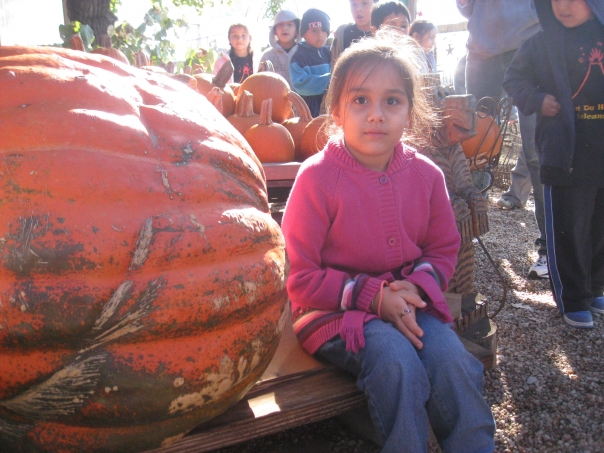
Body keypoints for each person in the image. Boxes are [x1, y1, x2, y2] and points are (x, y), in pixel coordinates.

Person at [281, 30, 495, 453]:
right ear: (336, 111)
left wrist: (414, 287)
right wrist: (374, 297)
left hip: (410, 301)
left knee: (452, 361)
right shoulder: (316, 179)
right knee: (396, 362)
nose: (376, 115)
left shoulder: (427, 176)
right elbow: (299, 277)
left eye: (392, 101)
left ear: (410, 114)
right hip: (334, 311)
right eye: (360, 100)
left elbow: (442, 249)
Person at [503, 0, 604, 329]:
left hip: (600, 153)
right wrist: (536, 99)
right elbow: (513, 79)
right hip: (564, 154)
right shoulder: (541, 42)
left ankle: (595, 288)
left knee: (598, 228)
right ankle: (572, 297)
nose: (564, 5)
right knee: (567, 228)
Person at [456, 0, 548, 279]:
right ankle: (466, 240)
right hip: (482, 49)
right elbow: (465, 7)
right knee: (473, 151)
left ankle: (552, 248)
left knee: (538, 152)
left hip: (531, 40)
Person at [290, 9, 332, 117]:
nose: (320, 34)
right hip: (309, 114)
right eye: (314, 30)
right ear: (303, 34)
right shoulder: (298, 57)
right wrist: (332, 80)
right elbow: (301, 85)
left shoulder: (330, 53)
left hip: (330, 112)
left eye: (323, 30)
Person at [259, 10, 300, 90]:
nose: (285, 28)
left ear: (297, 31)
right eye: (280, 24)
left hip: (300, 97)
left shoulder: (303, 53)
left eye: (290, 24)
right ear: (274, 31)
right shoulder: (267, 56)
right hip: (275, 97)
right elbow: (260, 81)